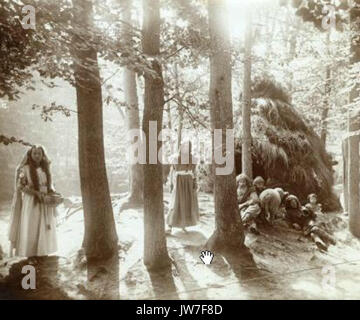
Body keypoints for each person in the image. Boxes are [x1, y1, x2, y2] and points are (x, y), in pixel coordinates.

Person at [8, 145, 58, 261]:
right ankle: (31, 254)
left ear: (42, 155)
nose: (36, 156)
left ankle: (43, 251)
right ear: (30, 155)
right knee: (32, 225)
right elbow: (20, 186)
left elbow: (49, 184)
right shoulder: (24, 169)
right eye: (34, 153)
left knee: (45, 225)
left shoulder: (46, 168)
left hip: (45, 199)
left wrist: (52, 192)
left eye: (39, 153)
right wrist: (36, 193)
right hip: (31, 200)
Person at [166, 141, 199, 234]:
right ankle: (169, 226)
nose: (186, 148)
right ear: (181, 147)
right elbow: (172, 172)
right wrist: (171, 184)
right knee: (175, 202)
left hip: (188, 181)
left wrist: (195, 182)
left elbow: (195, 172)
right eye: (184, 146)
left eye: (188, 146)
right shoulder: (175, 158)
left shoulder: (192, 158)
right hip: (179, 181)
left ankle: (183, 224)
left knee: (186, 203)